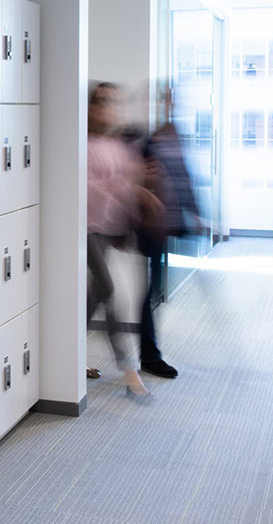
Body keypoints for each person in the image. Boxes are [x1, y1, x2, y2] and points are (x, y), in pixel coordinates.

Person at [85, 82, 162, 400]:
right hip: (86, 230)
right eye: (102, 101)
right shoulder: (84, 143)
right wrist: (129, 187)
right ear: (91, 106)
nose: (109, 108)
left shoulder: (118, 145)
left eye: (115, 102)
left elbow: (129, 183)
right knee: (110, 291)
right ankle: (129, 370)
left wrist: (140, 189)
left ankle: (67, 357)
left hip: (109, 230)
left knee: (92, 299)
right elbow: (92, 190)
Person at [137, 118, 202, 379]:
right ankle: (149, 356)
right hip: (141, 227)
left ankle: (149, 355)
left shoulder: (172, 136)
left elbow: (183, 177)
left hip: (159, 228)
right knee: (125, 293)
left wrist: (194, 213)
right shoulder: (147, 141)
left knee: (146, 293)